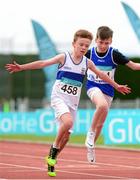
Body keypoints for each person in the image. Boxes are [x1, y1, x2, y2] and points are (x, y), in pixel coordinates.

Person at [5, 29, 131, 177]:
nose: (83, 48)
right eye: (81, 45)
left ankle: (52, 159)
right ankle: (53, 150)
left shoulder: (87, 62)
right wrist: (22, 67)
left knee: (67, 137)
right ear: (74, 44)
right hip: (58, 97)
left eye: (86, 45)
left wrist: (117, 86)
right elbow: (43, 63)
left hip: (72, 102)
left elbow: (102, 75)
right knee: (68, 123)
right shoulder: (64, 57)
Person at [85, 26, 140, 164]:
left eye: (107, 43)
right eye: (101, 42)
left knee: (101, 124)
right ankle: (90, 134)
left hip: (108, 89)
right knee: (101, 105)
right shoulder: (89, 53)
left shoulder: (114, 54)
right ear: (96, 40)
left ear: (111, 41)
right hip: (93, 86)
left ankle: (91, 147)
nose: (103, 46)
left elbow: (133, 66)